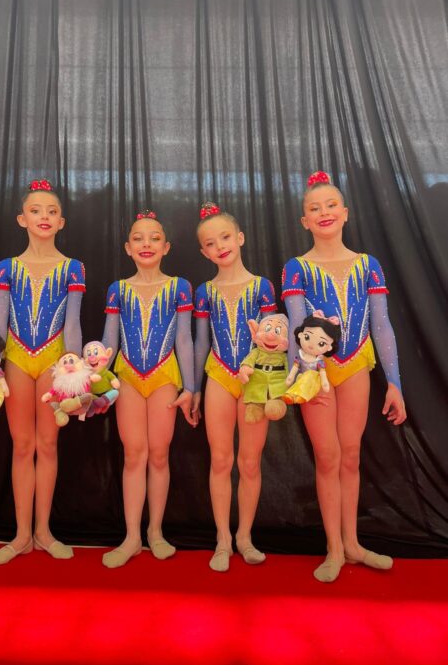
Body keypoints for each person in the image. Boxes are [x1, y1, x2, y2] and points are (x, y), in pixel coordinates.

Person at [281, 170, 406, 583]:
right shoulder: (296, 268)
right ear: (304, 221)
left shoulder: (367, 265)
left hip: (355, 364)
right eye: (314, 208)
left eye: (331, 205)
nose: (324, 212)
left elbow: (382, 325)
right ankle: (333, 548)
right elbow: (298, 327)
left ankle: (353, 543)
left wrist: (395, 383)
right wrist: (304, 374)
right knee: (328, 456)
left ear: (346, 213)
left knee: (350, 454)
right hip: (315, 370)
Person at [0, 179, 84, 565]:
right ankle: (21, 535)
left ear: (61, 221)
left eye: (51, 212)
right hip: (14, 358)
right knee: (22, 445)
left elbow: (73, 323)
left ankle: (44, 532)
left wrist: (74, 372)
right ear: (21, 219)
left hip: (53, 361)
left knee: (47, 445)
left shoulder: (72, 267)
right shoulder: (7, 267)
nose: (43, 217)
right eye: (35, 210)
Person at [100, 210, 196, 568]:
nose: (146, 244)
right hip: (126, 375)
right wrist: (96, 377)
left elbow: (185, 339)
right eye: (138, 238)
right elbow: (109, 338)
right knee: (134, 454)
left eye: (154, 238)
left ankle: (155, 531)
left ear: (166, 246)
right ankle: (131, 536)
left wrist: (190, 386)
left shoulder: (179, 287)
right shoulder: (119, 289)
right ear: (127, 247)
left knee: (159, 454)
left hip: (164, 376)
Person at [192, 202, 279, 571]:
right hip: (218, 375)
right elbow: (199, 342)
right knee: (221, 459)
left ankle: (245, 535)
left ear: (240, 238)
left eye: (225, 237)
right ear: (203, 252)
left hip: (256, 379)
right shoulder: (204, 290)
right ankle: (222, 540)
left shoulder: (262, 287)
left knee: (249, 461)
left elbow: (274, 340)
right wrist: (195, 388)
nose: (220, 246)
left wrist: (274, 384)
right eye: (210, 243)